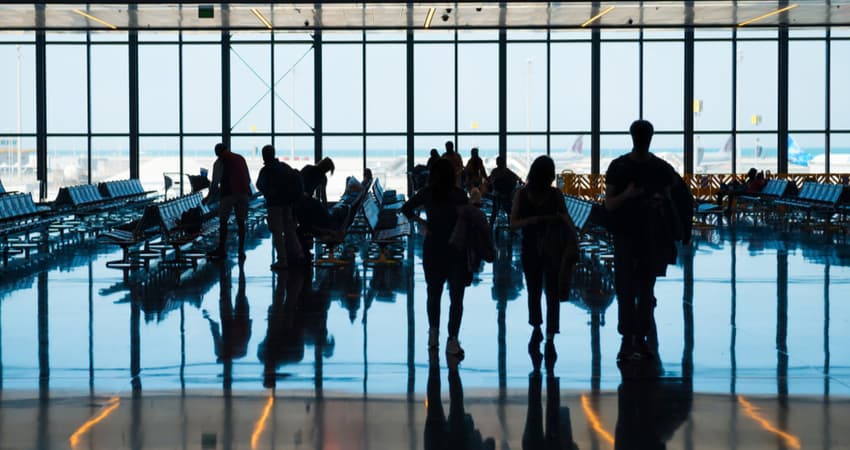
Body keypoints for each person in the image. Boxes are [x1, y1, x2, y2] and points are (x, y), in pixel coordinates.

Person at [604, 120, 680, 364]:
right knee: (646, 289)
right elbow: (675, 193)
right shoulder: (660, 168)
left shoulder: (619, 167)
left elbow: (610, 205)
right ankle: (642, 338)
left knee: (625, 288)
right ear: (650, 137)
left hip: (625, 235)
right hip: (650, 235)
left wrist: (627, 195)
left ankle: (627, 340)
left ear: (631, 136)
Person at [401, 158, 469, 359]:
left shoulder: (427, 193)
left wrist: (422, 222)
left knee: (433, 293)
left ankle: (433, 334)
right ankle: (453, 340)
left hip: (432, 248)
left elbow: (406, 208)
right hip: (455, 249)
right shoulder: (459, 195)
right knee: (456, 298)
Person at [511, 155, 575, 359]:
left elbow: (513, 223)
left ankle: (536, 327)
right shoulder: (555, 195)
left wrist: (531, 220)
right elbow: (566, 219)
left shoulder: (521, 195)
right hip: (552, 248)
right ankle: (550, 334)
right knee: (552, 292)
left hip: (529, 247)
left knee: (534, 290)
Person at [256, 145, 305, 271]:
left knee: (277, 233)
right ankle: (299, 254)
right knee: (290, 230)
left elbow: (259, 185)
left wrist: (269, 192)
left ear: (264, 155)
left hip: (274, 205)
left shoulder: (266, 170)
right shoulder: (284, 167)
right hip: (288, 204)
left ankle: (282, 260)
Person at [206, 143, 252, 260]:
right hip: (243, 193)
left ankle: (222, 249)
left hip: (228, 194)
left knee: (223, 221)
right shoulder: (240, 158)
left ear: (217, 152)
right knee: (241, 223)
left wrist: (209, 197)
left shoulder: (219, 162)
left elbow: (215, 182)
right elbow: (247, 177)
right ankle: (241, 250)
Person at [488, 156, 523, 228]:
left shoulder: (498, 171)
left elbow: (492, 181)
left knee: (497, 212)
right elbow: (516, 178)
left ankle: (491, 227)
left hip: (501, 195)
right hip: (502, 195)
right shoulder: (504, 171)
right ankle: (510, 227)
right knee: (505, 211)